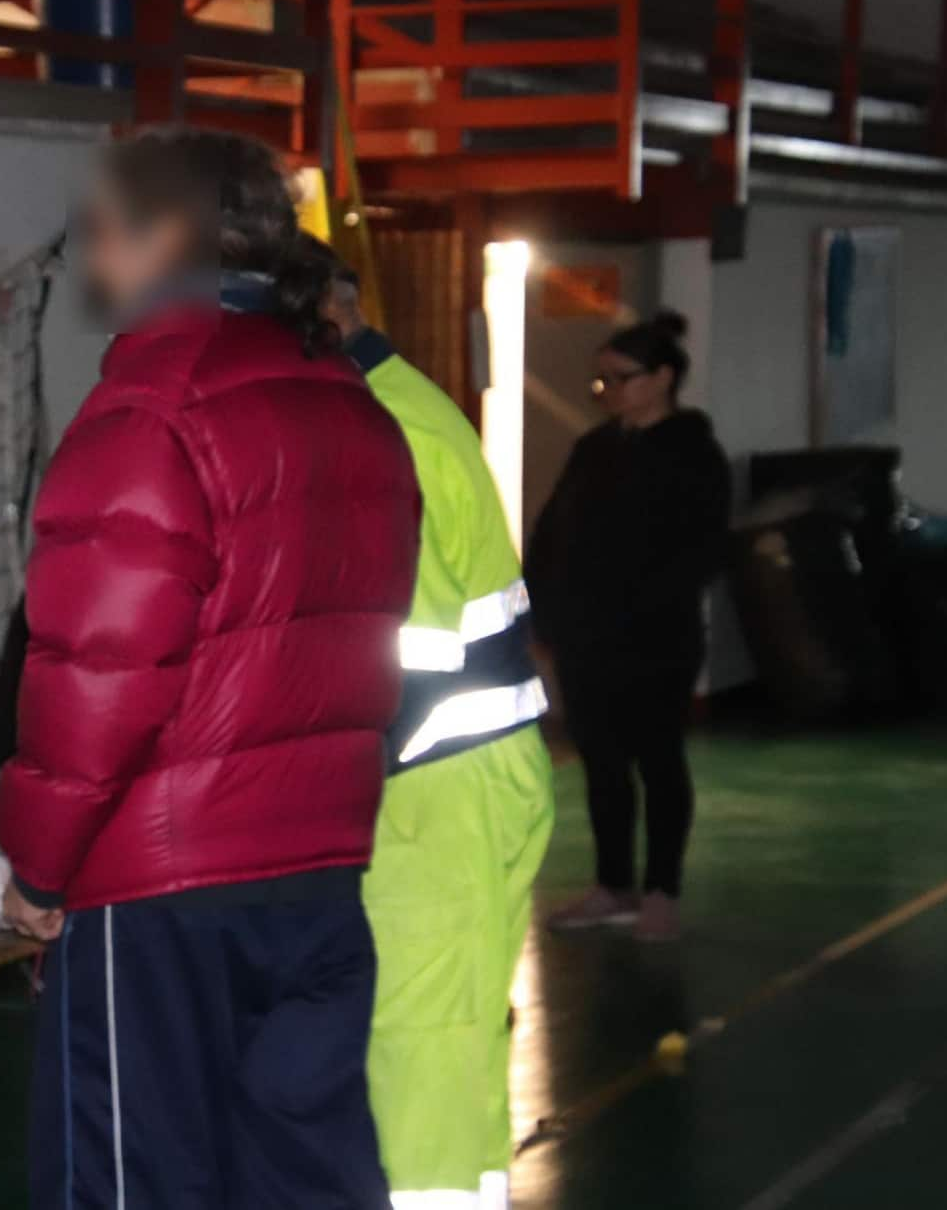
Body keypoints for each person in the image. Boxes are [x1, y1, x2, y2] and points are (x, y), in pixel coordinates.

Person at [0, 127, 422, 1210]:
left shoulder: (151, 409)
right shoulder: (350, 406)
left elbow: (102, 667)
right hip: (317, 867)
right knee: (300, 1171)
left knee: (132, 1179)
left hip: (159, 886)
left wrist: (38, 867)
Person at [317, 249, 555, 1209]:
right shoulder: (399, 406)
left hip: (433, 797)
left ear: (320, 322)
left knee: (421, 1077)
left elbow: (393, 676)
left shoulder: (385, 438)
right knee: (438, 1067)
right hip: (455, 788)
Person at [528, 310, 731, 942]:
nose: (608, 391)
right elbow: (551, 534)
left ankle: (661, 890)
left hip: (655, 642)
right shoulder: (595, 449)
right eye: (602, 381)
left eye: (620, 378)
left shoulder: (695, 455)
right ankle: (611, 885)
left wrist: (637, 608)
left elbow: (700, 552)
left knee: (659, 761)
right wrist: (544, 612)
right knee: (602, 766)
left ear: (663, 378)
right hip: (587, 640)